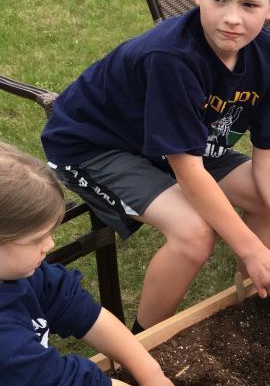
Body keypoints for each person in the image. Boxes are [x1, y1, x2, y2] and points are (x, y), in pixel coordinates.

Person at [40, 0, 270, 334]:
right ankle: (140, 344)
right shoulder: (172, 58)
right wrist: (253, 248)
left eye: (249, 5)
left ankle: (250, 303)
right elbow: (187, 169)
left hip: (179, 140)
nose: (232, 19)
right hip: (94, 143)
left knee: (263, 198)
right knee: (194, 234)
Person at [0, 142, 172, 386]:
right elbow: (64, 381)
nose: (50, 245)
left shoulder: (21, 273)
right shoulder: (7, 347)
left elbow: (74, 306)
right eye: (36, 239)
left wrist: (152, 374)